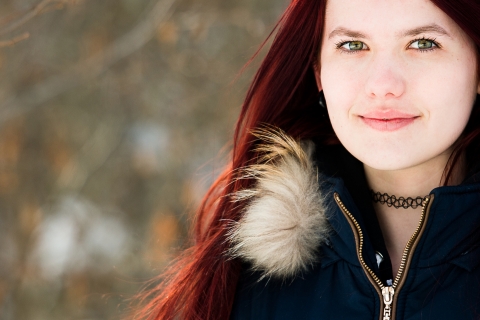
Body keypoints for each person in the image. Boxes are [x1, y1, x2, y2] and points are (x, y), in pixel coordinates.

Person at [136, 0, 480, 319]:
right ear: (318, 73)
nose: (383, 85)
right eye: (353, 45)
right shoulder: (249, 277)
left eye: (422, 43)